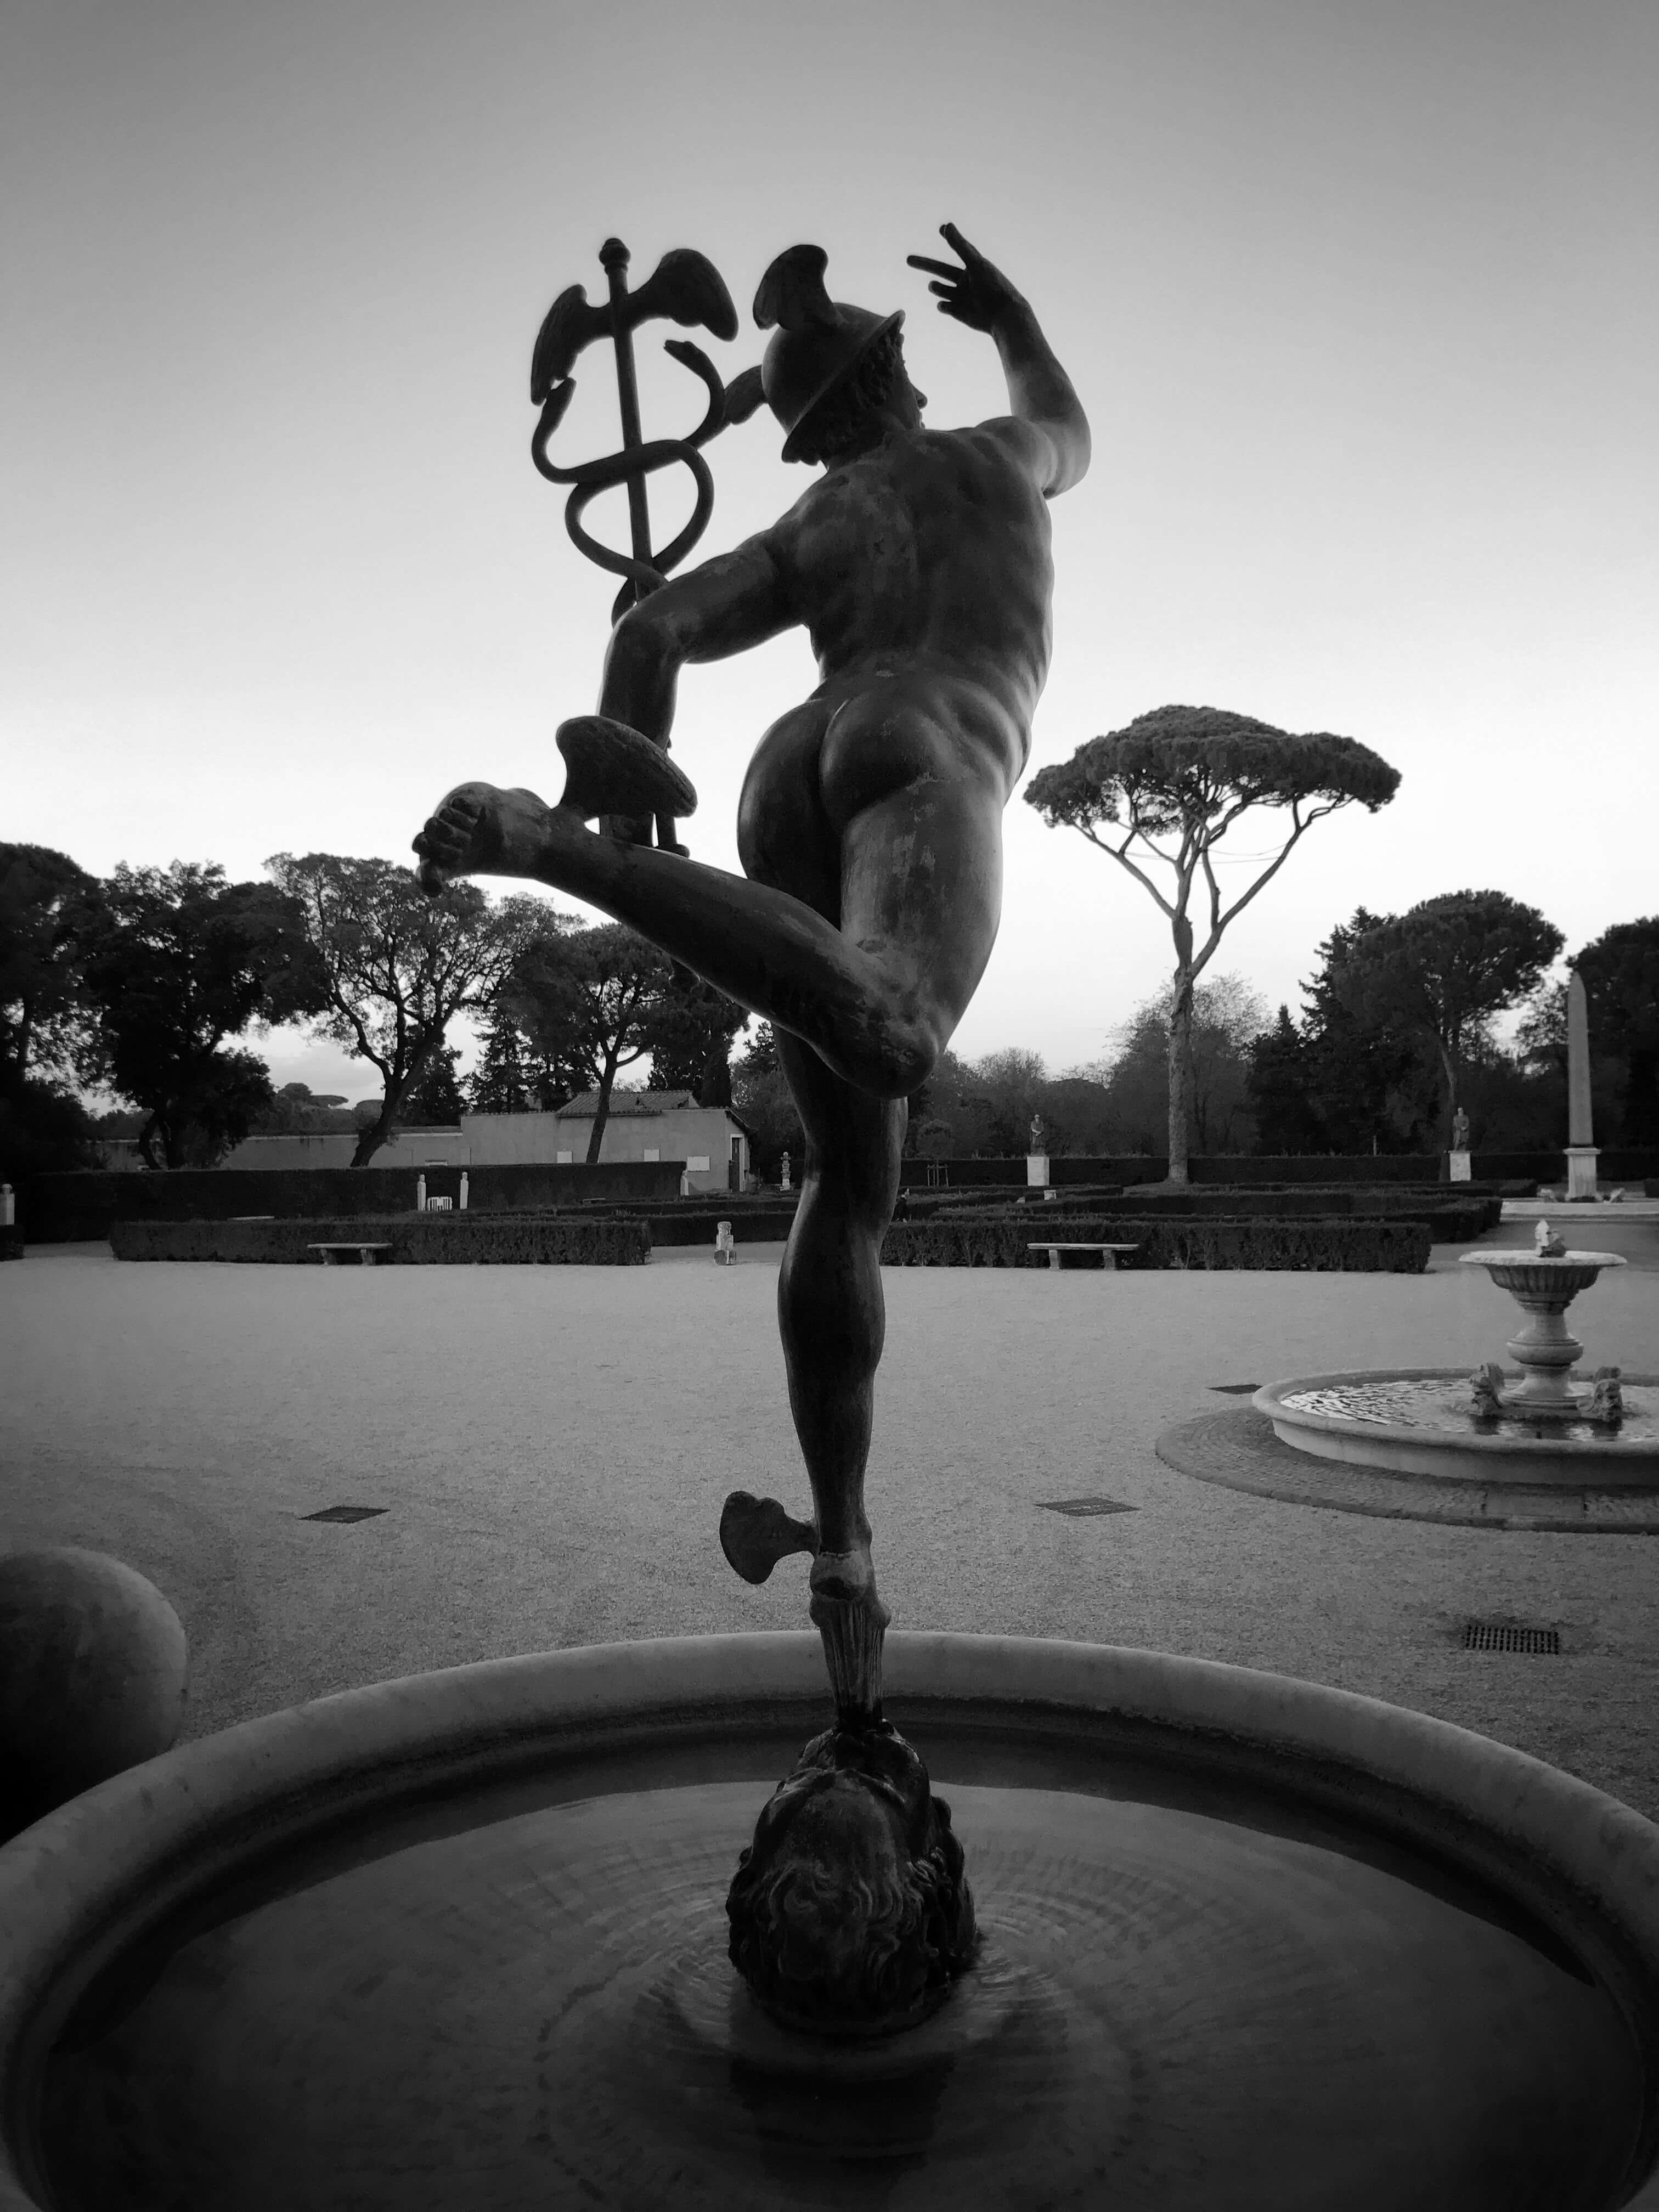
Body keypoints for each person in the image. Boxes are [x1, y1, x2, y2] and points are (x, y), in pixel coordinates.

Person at [414, 222, 1089, 1724]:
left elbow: (651, 626)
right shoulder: (1000, 458)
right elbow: (1070, 419)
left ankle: (840, 1545)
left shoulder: (814, 531)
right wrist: (1018, 315)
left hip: (792, 765)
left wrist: (644, 795)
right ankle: (556, 855)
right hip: (933, 745)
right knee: (898, 1032)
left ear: (806, 434)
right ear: (899, 374)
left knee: (848, 1186)